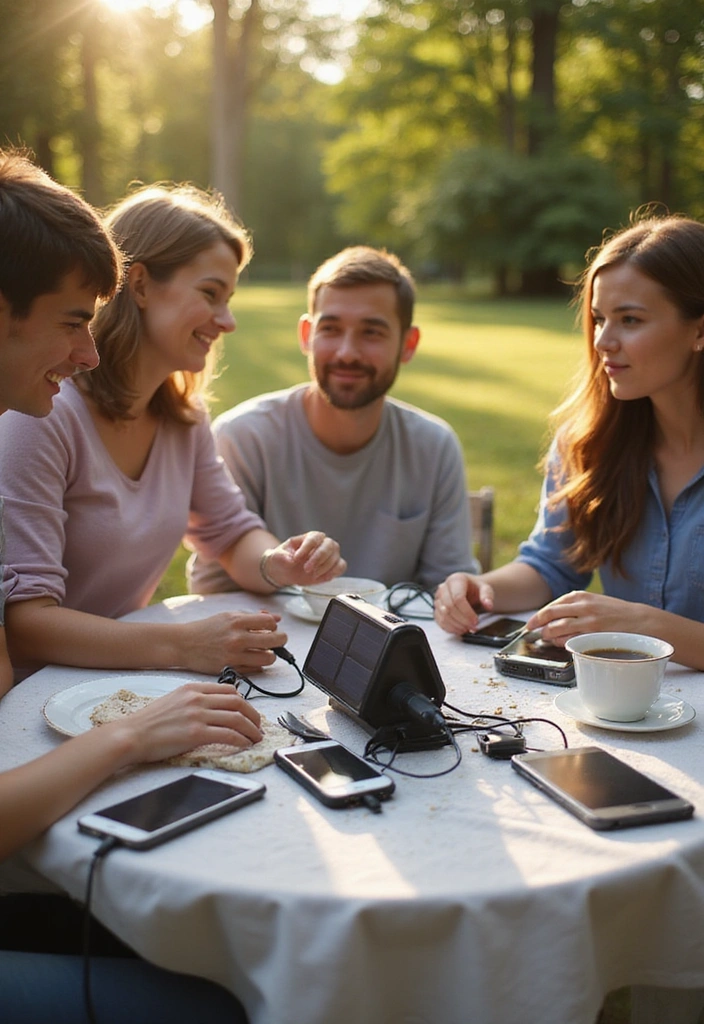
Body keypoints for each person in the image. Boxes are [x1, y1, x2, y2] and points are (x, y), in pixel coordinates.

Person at [0, 149, 256, 1023]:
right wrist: (131, 735)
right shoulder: (38, 427)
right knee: (237, 1005)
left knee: (219, 937)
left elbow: (232, 530)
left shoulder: (178, 416)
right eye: (74, 320)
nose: (86, 350)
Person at [0, 182, 345, 684]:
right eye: (210, 294)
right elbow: (25, 624)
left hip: (118, 681)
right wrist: (185, 644)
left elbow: (229, 532)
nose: (227, 321)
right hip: (39, 695)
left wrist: (281, 562)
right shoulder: (41, 413)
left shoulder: (183, 418)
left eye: (229, 299)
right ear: (139, 285)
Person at [434, 214, 704, 671]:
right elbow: (551, 566)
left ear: (698, 330)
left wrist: (645, 625)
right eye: (598, 319)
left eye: (630, 320)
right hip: (618, 704)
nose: (603, 341)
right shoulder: (589, 443)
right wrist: (482, 589)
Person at [188, 245, 477, 597]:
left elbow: (447, 589)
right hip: (271, 633)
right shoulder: (244, 437)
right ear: (306, 335)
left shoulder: (434, 447)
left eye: (372, 332)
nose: (347, 353)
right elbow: (213, 589)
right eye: (331, 329)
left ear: (408, 343)